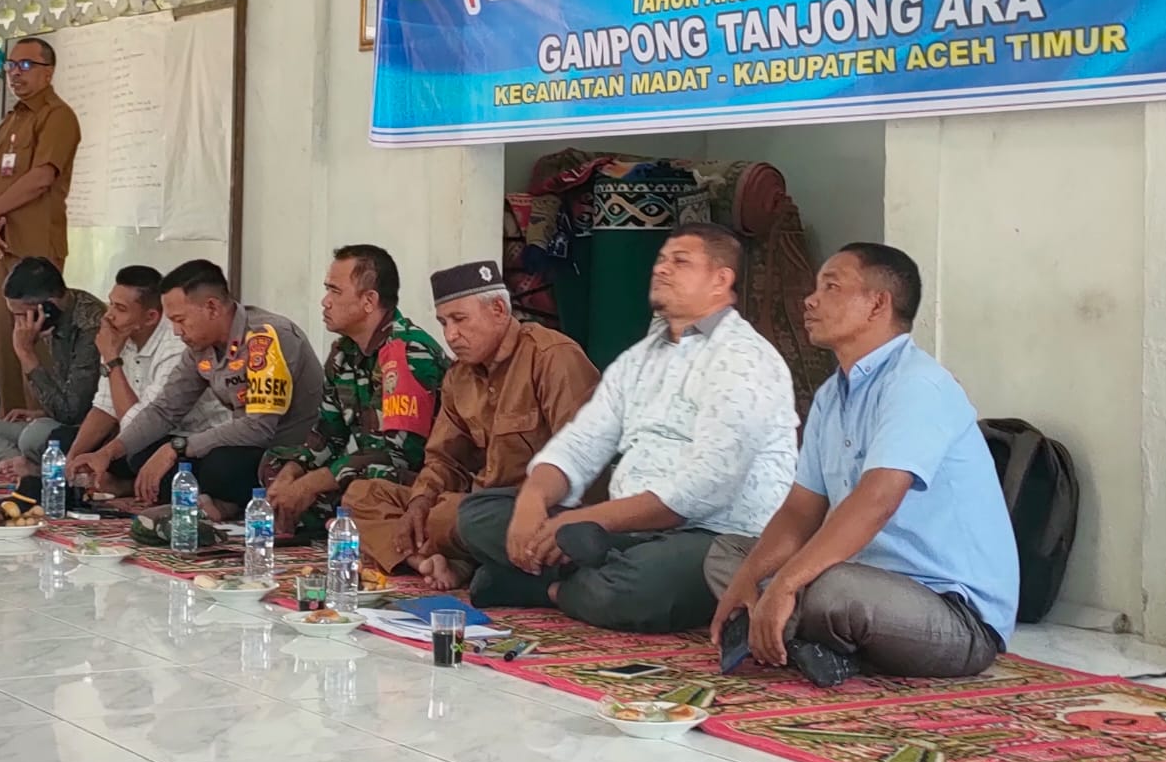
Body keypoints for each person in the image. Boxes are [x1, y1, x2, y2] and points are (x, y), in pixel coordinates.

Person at [457, 224, 799, 632]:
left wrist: (591, 521)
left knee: (640, 584)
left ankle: (550, 587)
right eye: (662, 259)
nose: (662, 268)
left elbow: (700, 491)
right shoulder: (641, 358)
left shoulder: (745, 359)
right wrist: (533, 500)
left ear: (720, 280)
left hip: (713, 536)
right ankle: (586, 562)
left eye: (680, 261)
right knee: (477, 514)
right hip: (628, 530)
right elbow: (581, 443)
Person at [706, 243, 1019, 687]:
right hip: (865, 580)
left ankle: (802, 636)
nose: (810, 300)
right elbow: (800, 510)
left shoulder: (918, 385)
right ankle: (816, 645)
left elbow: (877, 501)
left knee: (833, 589)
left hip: (953, 617)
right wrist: (751, 577)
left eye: (831, 287)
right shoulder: (831, 396)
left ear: (877, 304)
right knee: (729, 555)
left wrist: (784, 583)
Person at [345, 262, 599, 589]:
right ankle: (430, 560)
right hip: (478, 509)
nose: (450, 335)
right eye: (443, 323)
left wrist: (459, 511)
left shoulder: (552, 357)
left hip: (538, 511)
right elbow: (444, 459)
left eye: (460, 319)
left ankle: (466, 558)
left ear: (498, 310)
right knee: (362, 496)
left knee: (462, 517)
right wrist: (420, 502)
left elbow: (585, 461)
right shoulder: (459, 376)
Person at [67, 260, 322, 517]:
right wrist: (106, 453)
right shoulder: (201, 347)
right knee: (141, 451)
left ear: (212, 307)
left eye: (180, 320)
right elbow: (164, 409)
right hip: (239, 445)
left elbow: (258, 428)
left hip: (288, 455)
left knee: (220, 466)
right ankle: (207, 501)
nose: (176, 332)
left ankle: (225, 506)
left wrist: (177, 447)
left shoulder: (266, 338)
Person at [261, 245, 449, 534]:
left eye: (335, 291)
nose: (325, 302)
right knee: (275, 463)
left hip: (415, 480)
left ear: (369, 301)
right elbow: (327, 435)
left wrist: (309, 485)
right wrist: (292, 474)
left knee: (366, 484)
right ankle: (329, 521)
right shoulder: (342, 354)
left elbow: (395, 454)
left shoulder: (407, 352)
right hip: (359, 470)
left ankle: (348, 524)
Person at [0, 36, 81, 414]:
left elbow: (41, 178)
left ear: (48, 72)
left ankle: (40, 424)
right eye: (10, 66)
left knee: (35, 340)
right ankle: (10, 420)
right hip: (0, 247)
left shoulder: (57, 116)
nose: (15, 73)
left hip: (35, 249)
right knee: (3, 343)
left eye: (25, 66)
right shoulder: (12, 118)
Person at [58, 265, 230, 483]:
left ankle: (124, 486)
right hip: (148, 430)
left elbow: (139, 424)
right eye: (111, 304)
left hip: (189, 438)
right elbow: (104, 407)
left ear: (150, 317)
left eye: (120, 308)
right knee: (64, 440)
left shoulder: (177, 346)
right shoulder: (117, 336)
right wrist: (71, 458)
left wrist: (112, 360)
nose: (109, 315)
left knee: (140, 455)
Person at [0, 257, 104, 468]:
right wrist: (41, 412)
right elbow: (65, 399)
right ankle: (23, 465)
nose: (19, 324)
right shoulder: (58, 316)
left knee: (33, 436)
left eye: (22, 315)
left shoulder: (91, 327)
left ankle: (30, 465)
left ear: (47, 307)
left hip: (87, 430)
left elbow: (72, 413)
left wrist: (26, 353)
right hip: (57, 422)